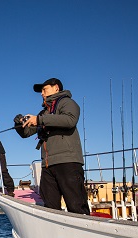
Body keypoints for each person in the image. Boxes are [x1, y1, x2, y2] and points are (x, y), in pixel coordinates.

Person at [13, 78, 90, 214]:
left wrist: (39, 119)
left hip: (68, 162)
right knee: (50, 208)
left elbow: (70, 120)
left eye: (44, 89)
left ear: (56, 88)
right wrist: (18, 123)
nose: (42, 93)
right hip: (48, 165)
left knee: (76, 206)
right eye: (41, 91)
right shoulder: (44, 113)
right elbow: (26, 133)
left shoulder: (67, 102)